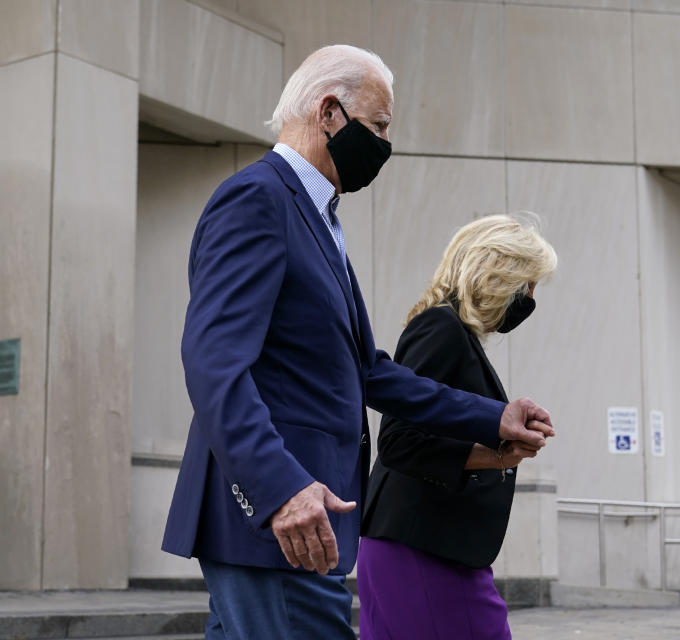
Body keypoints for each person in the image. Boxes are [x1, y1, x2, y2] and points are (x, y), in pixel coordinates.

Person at [160, 45, 555, 639]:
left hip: (305, 523)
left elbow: (369, 370)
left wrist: (494, 418)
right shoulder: (259, 199)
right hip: (279, 519)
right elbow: (213, 363)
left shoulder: (321, 220)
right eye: (379, 125)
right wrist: (280, 490)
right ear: (327, 112)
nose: (386, 145)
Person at [359, 214, 559, 640]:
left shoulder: (453, 332)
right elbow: (398, 440)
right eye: (529, 284)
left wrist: (499, 452)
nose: (531, 298)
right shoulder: (440, 327)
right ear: (500, 275)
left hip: (430, 549)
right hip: (422, 551)